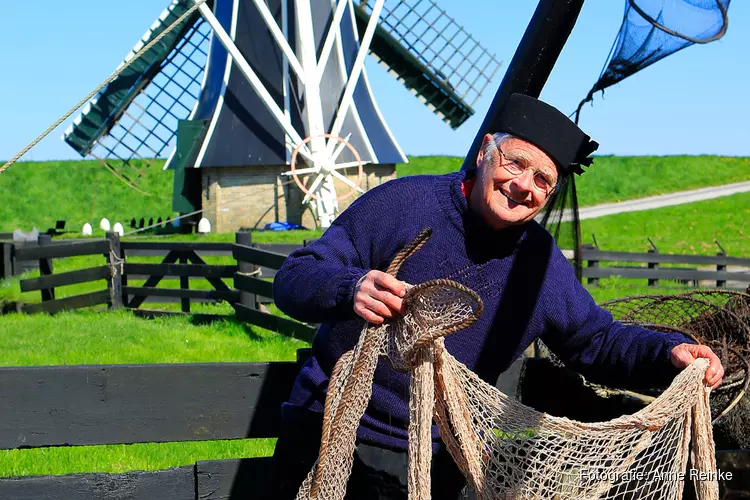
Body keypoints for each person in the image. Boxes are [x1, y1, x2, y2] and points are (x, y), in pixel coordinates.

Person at [268, 93, 724, 499]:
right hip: (328, 431)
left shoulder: (540, 267)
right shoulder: (401, 204)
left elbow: (597, 341)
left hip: (437, 456)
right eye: (516, 163)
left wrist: (669, 354)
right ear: (486, 151)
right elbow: (296, 276)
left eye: (543, 180)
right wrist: (352, 288)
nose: (524, 185)